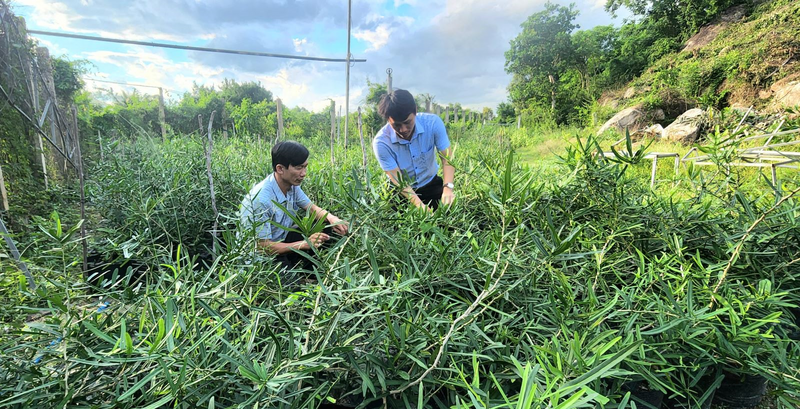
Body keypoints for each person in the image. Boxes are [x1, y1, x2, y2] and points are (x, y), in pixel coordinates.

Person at [239, 141, 349, 271]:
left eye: (305, 167)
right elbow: (263, 247)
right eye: (298, 168)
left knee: (326, 225)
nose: (304, 173)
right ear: (280, 168)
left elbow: (312, 208)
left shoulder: (292, 186)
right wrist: (304, 244)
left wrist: (333, 219)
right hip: (261, 259)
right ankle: (295, 276)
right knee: (293, 290)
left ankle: (310, 274)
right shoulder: (260, 200)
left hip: (282, 240)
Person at [372, 89, 455, 211]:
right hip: (401, 191)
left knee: (446, 219)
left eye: (407, 122)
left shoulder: (432, 124)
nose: (403, 129)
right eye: (396, 125)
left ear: (415, 111)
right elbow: (398, 181)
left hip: (431, 184)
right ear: (388, 120)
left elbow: (448, 159)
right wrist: (420, 207)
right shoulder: (381, 143)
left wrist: (448, 188)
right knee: (400, 226)